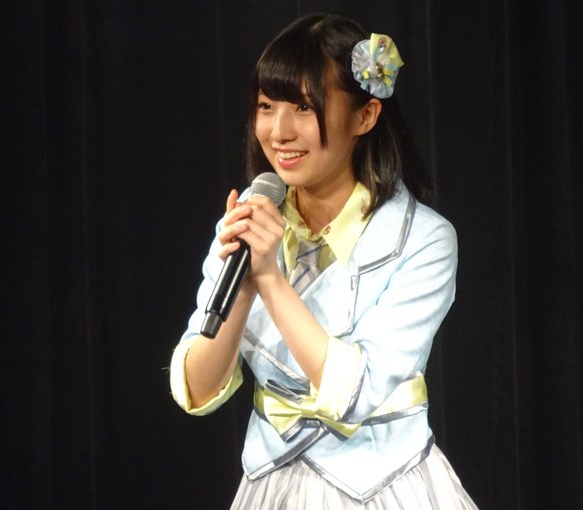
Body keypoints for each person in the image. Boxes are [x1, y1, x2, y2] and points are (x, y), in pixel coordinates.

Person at [169, 12, 479, 509]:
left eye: (304, 107)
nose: (279, 131)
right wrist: (244, 287)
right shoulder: (252, 222)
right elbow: (197, 390)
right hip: (273, 484)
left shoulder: (425, 240)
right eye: (266, 106)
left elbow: (355, 393)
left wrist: (270, 279)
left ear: (365, 116)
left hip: (386, 486)